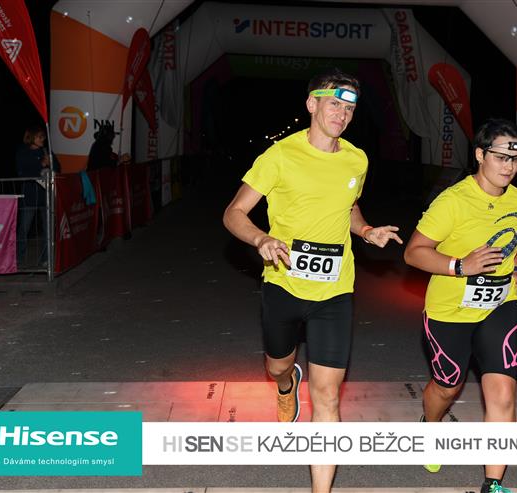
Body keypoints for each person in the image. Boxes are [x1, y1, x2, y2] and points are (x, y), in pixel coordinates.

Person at [222, 68, 402, 492]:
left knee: (328, 397)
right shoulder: (279, 156)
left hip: (334, 292)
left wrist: (365, 230)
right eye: (334, 104)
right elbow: (234, 212)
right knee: (277, 365)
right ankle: (287, 384)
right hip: (283, 285)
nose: (342, 114)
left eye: (350, 108)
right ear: (312, 104)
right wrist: (261, 238)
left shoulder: (356, 159)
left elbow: (349, 207)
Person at [404, 118, 517, 493]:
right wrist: (460, 266)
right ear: (480, 155)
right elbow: (414, 252)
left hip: (501, 305)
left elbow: (512, 240)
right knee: (448, 387)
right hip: (451, 311)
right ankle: (430, 426)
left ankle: (493, 485)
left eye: (515, 159)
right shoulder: (453, 201)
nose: (509, 167)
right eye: (500, 157)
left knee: (503, 394)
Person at [15, 125, 58, 267]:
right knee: (24, 229)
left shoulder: (46, 151)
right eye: (40, 137)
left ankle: (45, 259)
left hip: (46, 197)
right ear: (32, 137)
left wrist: (51, 164)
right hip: (30, 196)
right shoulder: (23, 152)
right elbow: (22, 172)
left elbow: (58, 168)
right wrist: (40, 164)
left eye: (43, 137)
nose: (42, 139)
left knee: (48, 229)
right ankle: (18, 258)